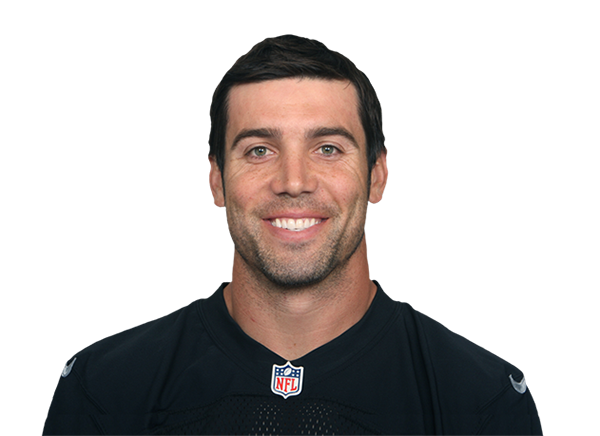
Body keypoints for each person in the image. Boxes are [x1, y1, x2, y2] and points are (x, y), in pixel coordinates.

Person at [44, 36, 543, 435]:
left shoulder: (479, 401)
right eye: (259, 150)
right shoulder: (105, 391)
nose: (294, 181)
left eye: (328, 148)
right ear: (216, 182)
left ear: (376, 178)